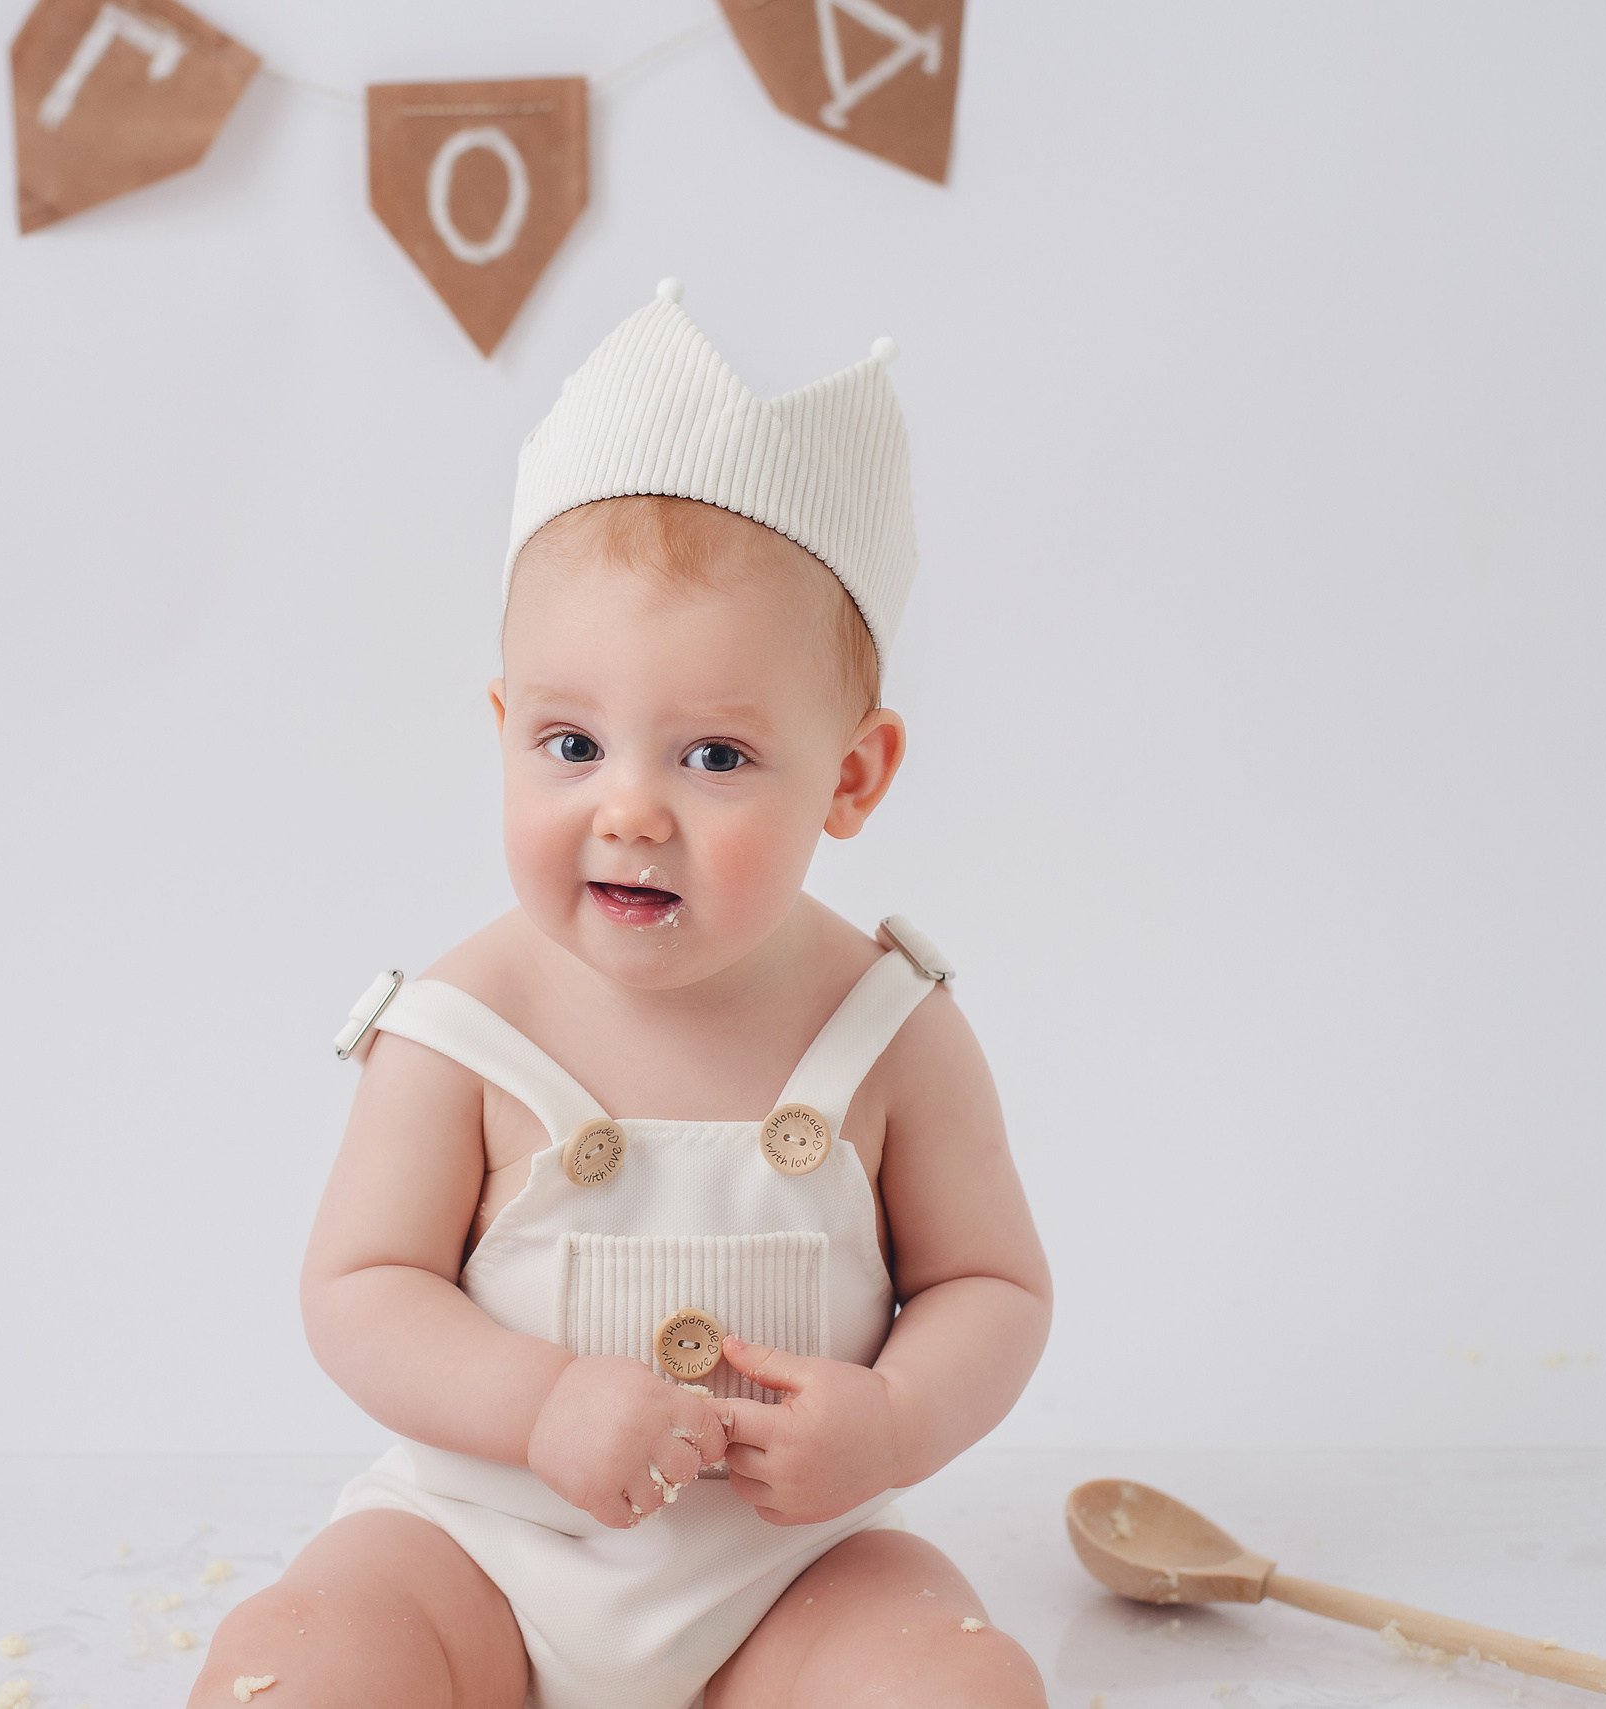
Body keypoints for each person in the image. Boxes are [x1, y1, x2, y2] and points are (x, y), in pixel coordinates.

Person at [190, 281, 1052, 1709]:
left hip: (791, 1569)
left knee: (949, 1685)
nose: (630, 811)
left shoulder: (893, 1031)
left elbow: (991, 1286)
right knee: (305, 1661)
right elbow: (360, 1289)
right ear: (503, 730)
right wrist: (537, 1403)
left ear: (852, 776)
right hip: (480, 1541)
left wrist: (896, 1417)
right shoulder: (459, 1029)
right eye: (573, 743)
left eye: (714, 756)